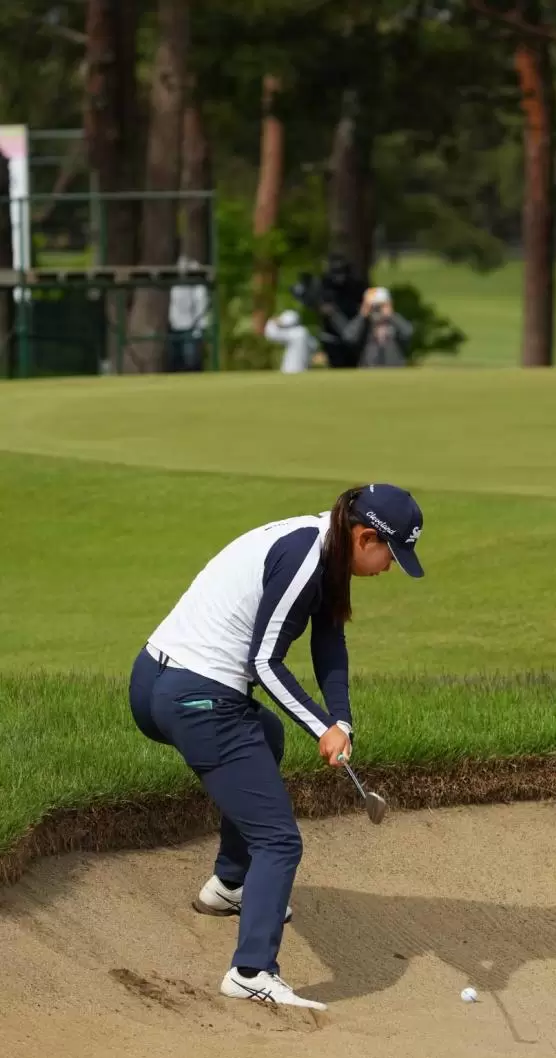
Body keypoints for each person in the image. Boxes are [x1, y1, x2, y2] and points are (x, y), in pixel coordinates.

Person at [128, 484, 424, 1011]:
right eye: (391, 555)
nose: (390, 568)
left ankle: (230, 885)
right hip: (194, 697)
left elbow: (328, 642)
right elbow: (265, 662)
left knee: (265, 735)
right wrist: (322, 729)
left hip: (157, 680)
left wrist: (343, 722)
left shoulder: (321, 542)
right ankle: (251, 971)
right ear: (366, 536)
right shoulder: (307, 560)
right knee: (280, 841)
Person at [336, 287, 414, 369]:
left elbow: (408, 332)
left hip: (394, 368)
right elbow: (348, 337)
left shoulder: (394, 322)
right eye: (373, 306)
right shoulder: (364, 324)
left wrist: (391, 315)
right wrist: (362, 316)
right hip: (368, 370)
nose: (376, 309)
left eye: (380, 305)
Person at [167, 255, 210, 372]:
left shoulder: (197, 287)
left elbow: (200, 308)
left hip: (190, 327)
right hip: (175, 326)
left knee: (191, 360)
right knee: (176, 359)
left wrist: (198, 327)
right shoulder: (176, 285)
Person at [263, 309, 319, 373]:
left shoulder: (293, 333)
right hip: (304, 367)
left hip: (290, 368)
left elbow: (270, 334)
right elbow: (314, 345)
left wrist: (272, 322)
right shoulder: (303, 331)